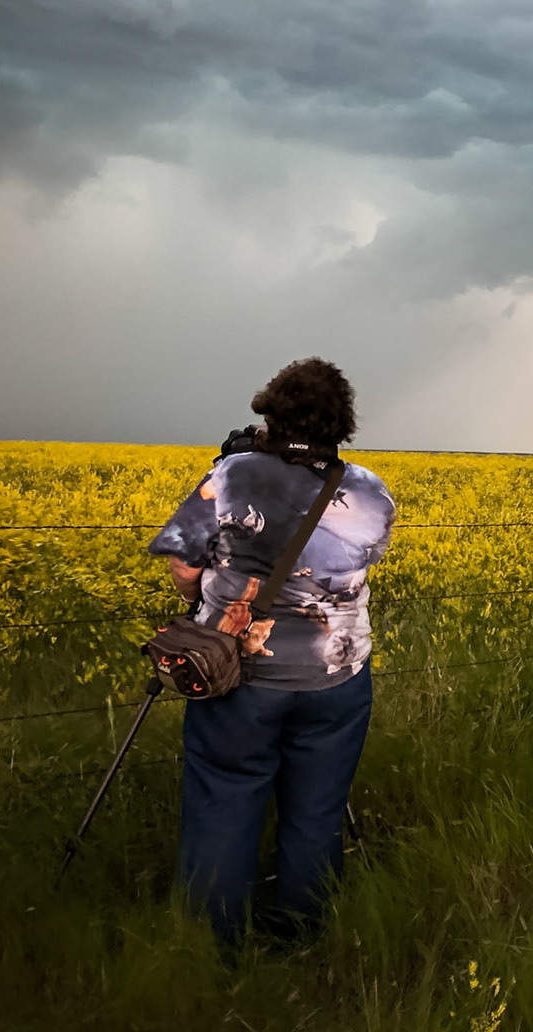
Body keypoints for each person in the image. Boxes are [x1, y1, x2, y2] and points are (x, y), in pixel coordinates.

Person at [148, 358, 396, 942]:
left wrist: (211, 586)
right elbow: (359, 564)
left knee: (225, 802)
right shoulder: (372, 491)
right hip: (336, 679)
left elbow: (185, 567)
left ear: (270, 415)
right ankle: (301, 936)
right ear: (343, 423)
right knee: (316, 812)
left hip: (238, 678)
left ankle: (214, 944)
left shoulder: (234, 474)